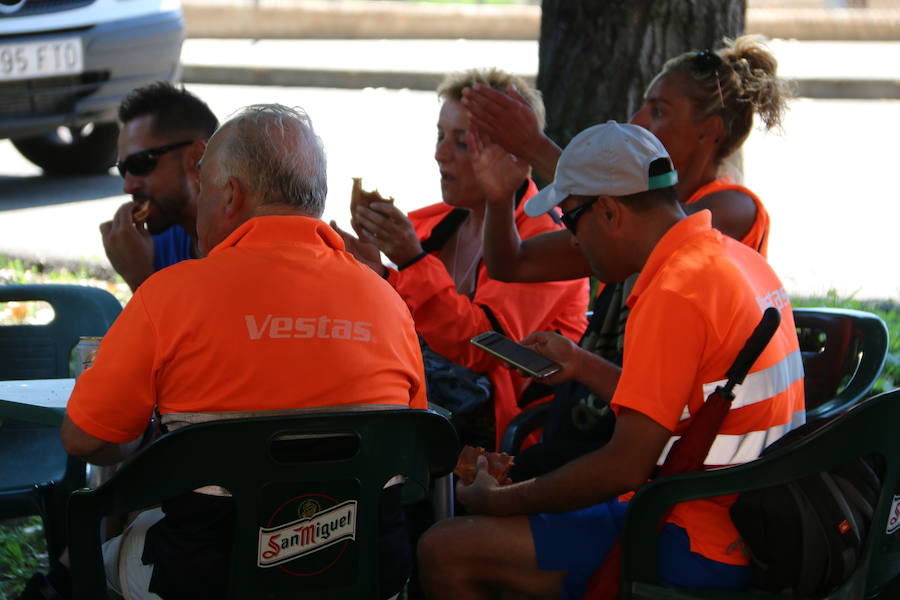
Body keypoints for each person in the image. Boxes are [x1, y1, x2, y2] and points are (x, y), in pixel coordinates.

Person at [417, 122, 805, 599]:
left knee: (443, 550)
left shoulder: (674, 292)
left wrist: (501, 501)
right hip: (754, 519)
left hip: (693, 534)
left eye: (570, 221)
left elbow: (624, 467)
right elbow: (683, 404)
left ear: (607, 211)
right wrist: (582, 364)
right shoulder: (735, 258)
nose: (573, 242)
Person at [57, 104, 426, 600]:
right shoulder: (388, 303)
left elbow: (84, 438)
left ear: (230, 195)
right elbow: (410, 448)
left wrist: (137, 445)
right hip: (362, 571)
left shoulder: (171, 293)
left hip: (205, 577)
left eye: (205, 189)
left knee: (85, 562)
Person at [463, 36, 792, 477]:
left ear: (708, 130)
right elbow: (512, 263)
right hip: (615, 420)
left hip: (667, 462)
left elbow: (639, 220)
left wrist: (536, 146)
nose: (637, 120)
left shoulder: (728, 210)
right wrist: (500, 196)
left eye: (658, 110)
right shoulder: (626, 226)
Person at [332, 68, 588, 450]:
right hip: (426, 407)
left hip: (507, 438)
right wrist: (375, 272)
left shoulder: (548, 238)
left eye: (462, 142)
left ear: (514, 156)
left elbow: (482, 348)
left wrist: (409, 263)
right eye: (440, 136)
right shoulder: (433, 223)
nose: (440, 154)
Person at [100, 82, 219, 291]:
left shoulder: (249, 243)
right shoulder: (150, 248)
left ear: (197, 158)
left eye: (140, 163)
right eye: (123, 169)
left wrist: (140, 280)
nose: (128, 186)